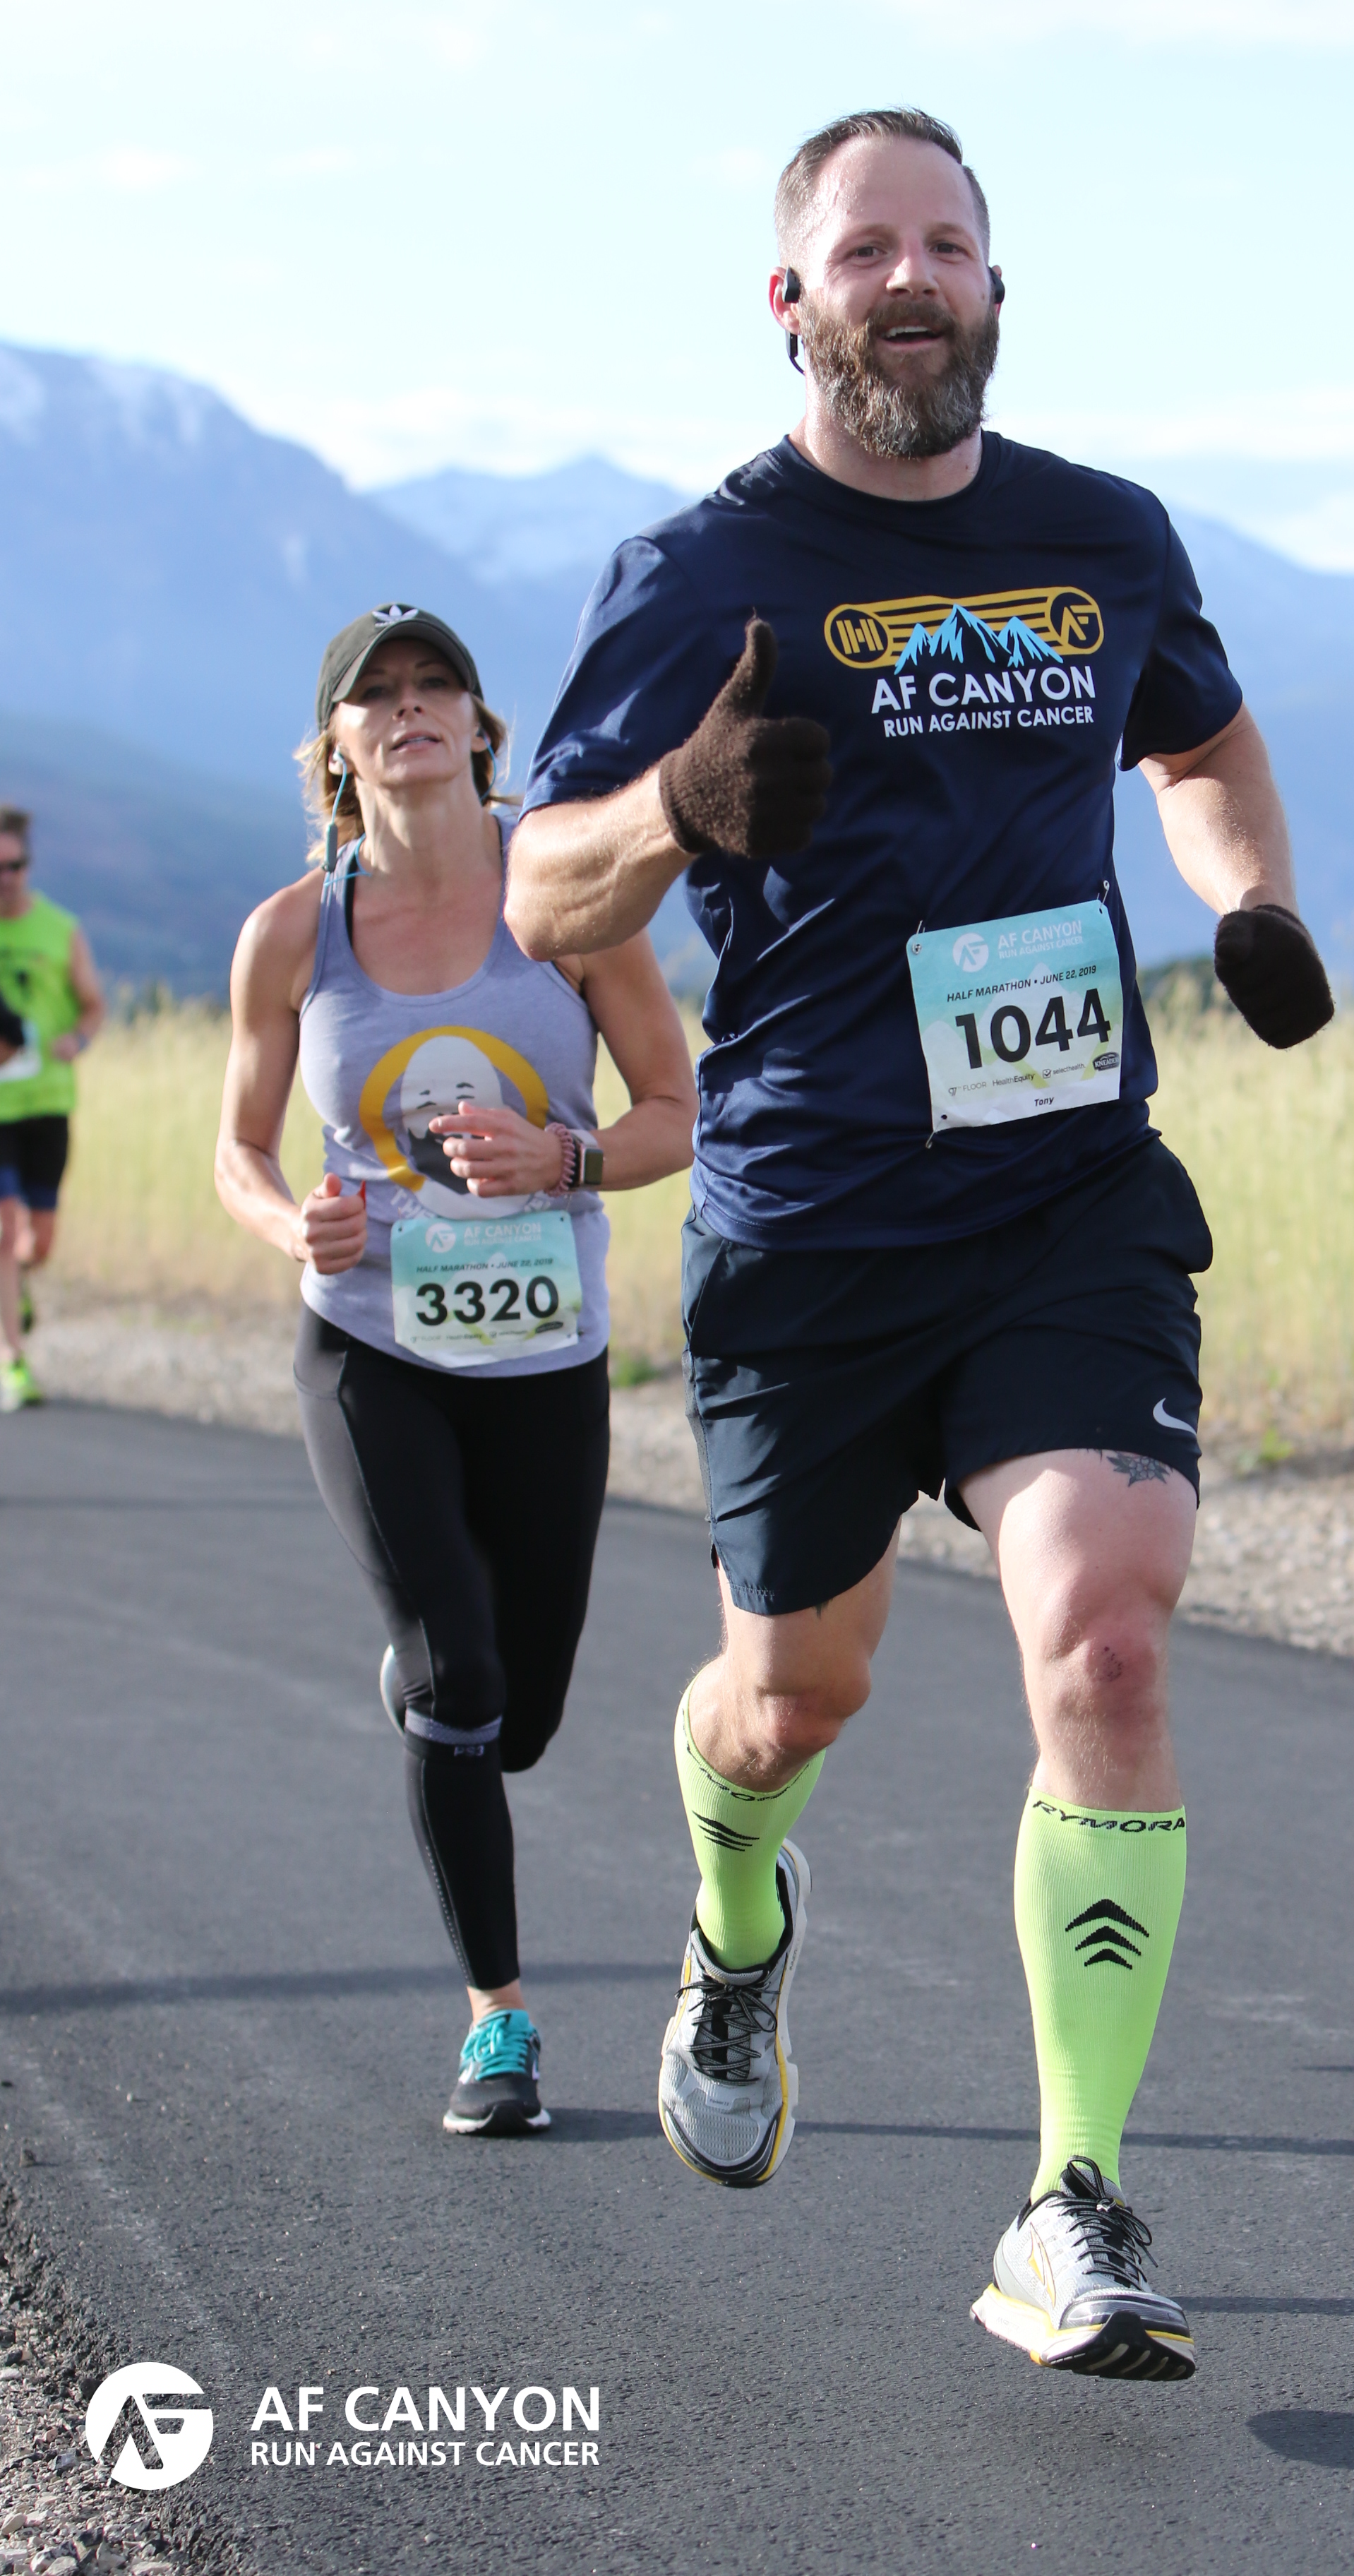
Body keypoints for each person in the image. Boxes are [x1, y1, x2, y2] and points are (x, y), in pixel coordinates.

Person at [507, 108, 1333, 2378]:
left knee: (1112, 1637)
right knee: (795, 1699)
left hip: (1065, 1194)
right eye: (863, 247)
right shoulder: (702, 568)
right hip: (814, 1222)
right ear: (790, 302)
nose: (909, 278)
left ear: (993, 288)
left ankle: (1072, 2204)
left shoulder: (1102, 537)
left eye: (945, 244)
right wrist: (675, 807)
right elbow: (543, 888)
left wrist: (1251, 902)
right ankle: (733, 1912)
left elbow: (1203, 745)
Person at [215, 605, 697, 2135]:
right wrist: (288, 1219)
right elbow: (238, 1148)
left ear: (483, 728)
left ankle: (445, 1684)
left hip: (545, 1351)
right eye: (377, 694)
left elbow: (676, 1108)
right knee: (459, 1680)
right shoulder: (292, 933)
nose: (409, 708)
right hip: (370, 1346)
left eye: (437, 686)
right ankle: (499, 2021)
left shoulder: (564, 900)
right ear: (336, 747)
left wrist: (566, 1156)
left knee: (524, 1713)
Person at [0, 805, 107, 1412]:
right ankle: (13, 1361)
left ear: (28, 866)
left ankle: (15, 1285)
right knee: (3, 1228)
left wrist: (78, 1041)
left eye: (14, 866)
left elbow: (93, 1005)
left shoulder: (59, 929)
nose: (5, 878)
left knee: (36, 1243)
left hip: (47, 1103)